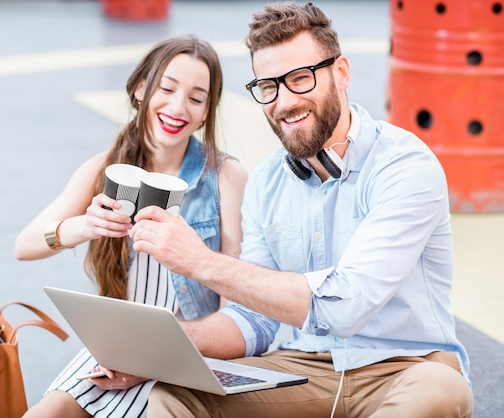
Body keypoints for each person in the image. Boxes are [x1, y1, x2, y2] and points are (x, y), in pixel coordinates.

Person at [130, 3, 474, 417]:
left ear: (341, 72)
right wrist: (153, 350)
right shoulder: (266, 183)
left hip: (406, 368)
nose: (285, 101)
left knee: (440, 390)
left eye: (299, 78)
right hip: (303, 369)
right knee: (174, 393)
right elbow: (251, 321)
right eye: (269, 87)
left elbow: (345, 306)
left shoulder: (405, 166)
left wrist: (200, 262)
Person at [14, 35, 248, 418]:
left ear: (207, 111)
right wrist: (84, 225)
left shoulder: (225, 175)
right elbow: (24, 246)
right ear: (141, 89)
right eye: (166, 88)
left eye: (195, 97)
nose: (177, 106)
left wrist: (157, 360)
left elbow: (234, 301)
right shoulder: (104, 167)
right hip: (117, 353)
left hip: (188, 359)